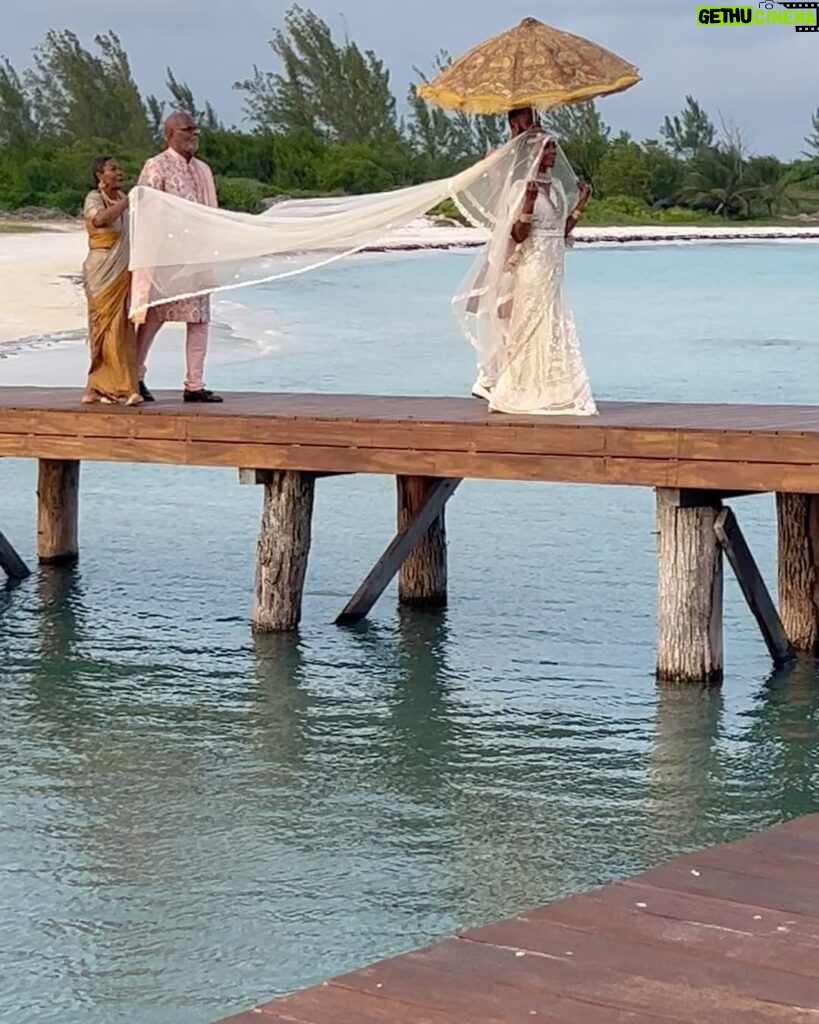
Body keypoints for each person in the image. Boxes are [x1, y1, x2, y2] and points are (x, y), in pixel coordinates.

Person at [456, 133, 597, 416]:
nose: (553, 154)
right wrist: (529, 204)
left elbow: (562, 229)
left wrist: (581, 202)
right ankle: (517, 387)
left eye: (555, 149)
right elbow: (518, 234)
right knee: (530, 323)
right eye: (547, 149)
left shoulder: (557, 186)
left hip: (554, 267)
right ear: (534, 154)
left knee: (554, 324)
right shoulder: (520, 187)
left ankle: (555, 388)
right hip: (531, 267)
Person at [133, 112, 222, 403]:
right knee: (153, 316)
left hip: (197, 257)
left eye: (195, 130)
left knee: (199, 320)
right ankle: (135, 375)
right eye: (187, 129)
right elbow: (145, 210)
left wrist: (211, 255)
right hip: (166, 257)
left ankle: (194, 384)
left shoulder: (203, 170)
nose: (193, 135)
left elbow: (212, 214)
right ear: (170, 133)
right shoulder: (156, 166)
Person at [471, 107, 542, 400]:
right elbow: (499, 193)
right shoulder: (500, 157)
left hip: (530, 240)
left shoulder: (533, 156)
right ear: (514, 123)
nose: (534, 124)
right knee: (502, 306)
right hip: (507, 239)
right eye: (528, 119)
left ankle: (512, 376)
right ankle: (489, 376)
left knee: (524, 310)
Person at [81, 156, 142, 406]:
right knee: (101, 329)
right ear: (99, 175)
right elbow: (99, 220)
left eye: (119, 168)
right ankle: (117, 388)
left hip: (122, 272)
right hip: (101, 271)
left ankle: (100, 387)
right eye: (112, 169)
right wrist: (128, 203)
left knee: (120, 329)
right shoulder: (94, 198)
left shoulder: (123, 198)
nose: (119, 173)